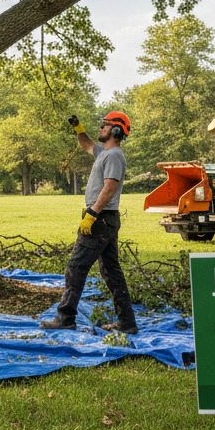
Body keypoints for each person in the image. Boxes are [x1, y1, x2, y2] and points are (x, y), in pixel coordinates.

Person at [40, 111, 138, 334]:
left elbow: (110, 186)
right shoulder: (104, 152)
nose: (101, 128)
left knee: (76, 267)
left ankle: (65, 318)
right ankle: (128, 323)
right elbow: (86, 144)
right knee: (112, 272)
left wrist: (92, 213)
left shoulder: (113, 155)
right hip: (105, 218)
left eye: (105, 125)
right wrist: (77, 128)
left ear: (116, 130)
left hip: (100, 218)